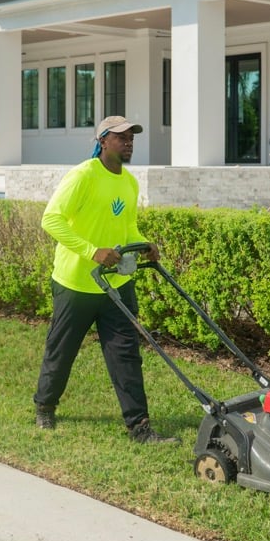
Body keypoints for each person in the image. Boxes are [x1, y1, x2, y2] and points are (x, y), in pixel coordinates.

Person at [33, 116, 179, 444]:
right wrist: (91, 251)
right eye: (121, 137)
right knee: (62, 349)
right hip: (76, 283)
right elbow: (51, 220)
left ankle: (139, 427)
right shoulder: (83, 175)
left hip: (115, 284)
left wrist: (143, 244)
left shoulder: (129, 182)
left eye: (131, 138)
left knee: (126, 353)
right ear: (102, 141)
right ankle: (45, 406)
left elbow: (126, 227)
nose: (128, 143)